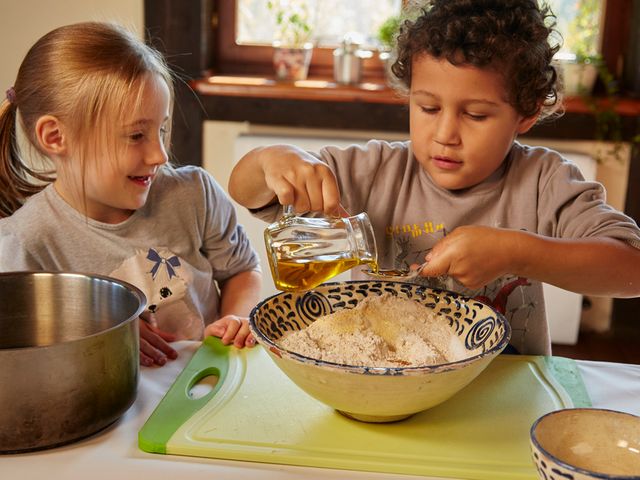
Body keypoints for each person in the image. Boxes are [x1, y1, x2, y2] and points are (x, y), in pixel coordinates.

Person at [228, 0, 640, 355]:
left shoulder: (544, 182)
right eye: (427, 108)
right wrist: (271, 159)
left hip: (500, 392)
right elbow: (245, 190)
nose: (445, 135)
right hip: (383, 388)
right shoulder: (372, 171)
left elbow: (631, 269)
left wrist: (519, 251)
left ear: (527, 112)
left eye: (475, 115)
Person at [0, 22, 262, 367]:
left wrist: (235, 321)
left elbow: (243, 270)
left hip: (210, 385)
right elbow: (27, 357)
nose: (160, 155)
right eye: (136, 135)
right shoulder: (25, 243)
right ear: (55, 137)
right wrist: (102, 333)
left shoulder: (195, 194)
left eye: (161, 128)